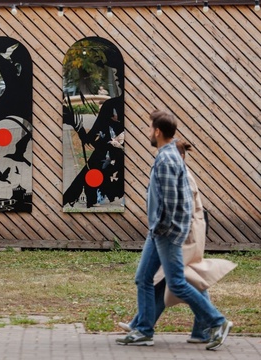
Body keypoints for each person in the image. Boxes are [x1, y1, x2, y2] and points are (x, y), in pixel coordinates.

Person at [115, 110, 232, 350]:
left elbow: (170, 202)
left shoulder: (167, 159)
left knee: (177, 283)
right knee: (144, 278)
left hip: (165, 233)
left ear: (157, 131)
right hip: (158, 231)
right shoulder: (167, 155)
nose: (148, 132)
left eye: (150, 128)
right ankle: (144, 331)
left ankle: (217, 321)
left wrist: (160, 228)